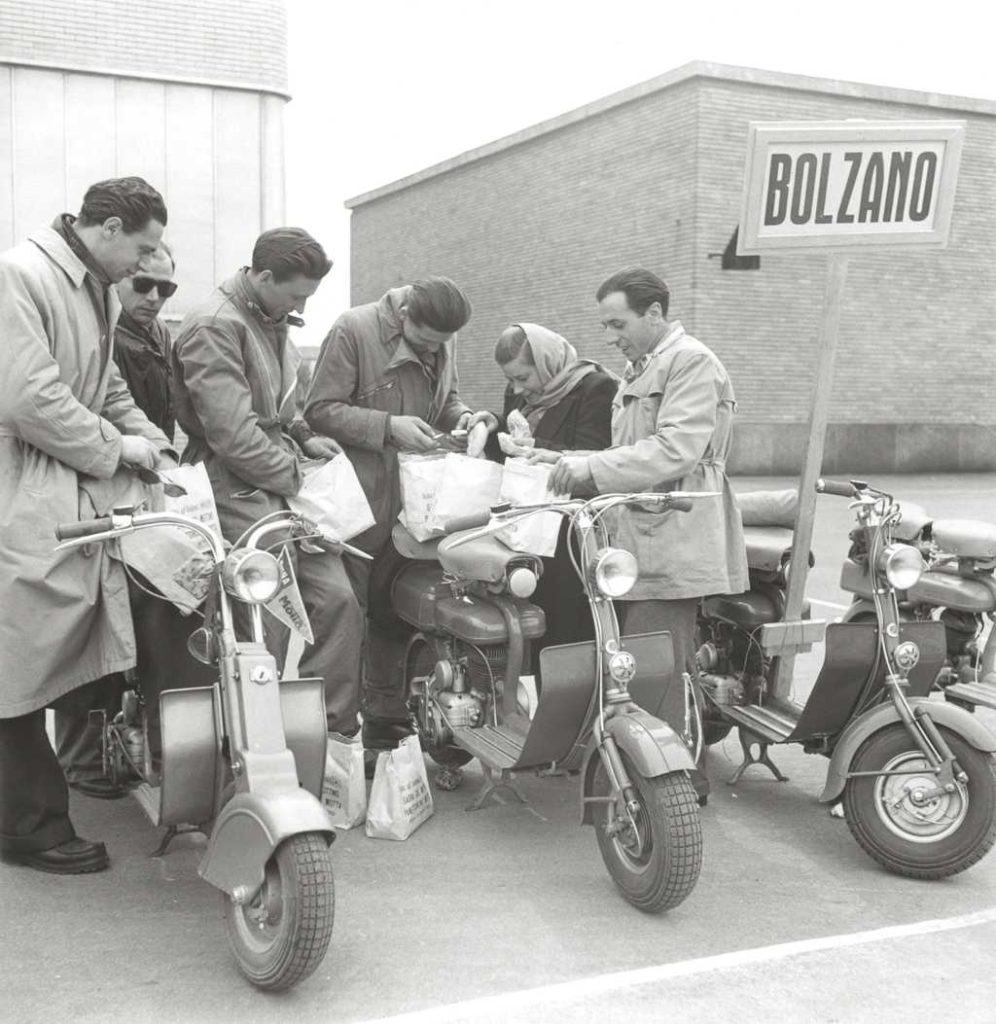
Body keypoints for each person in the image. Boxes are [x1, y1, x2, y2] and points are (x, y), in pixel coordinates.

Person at [0, 176, 174, 874]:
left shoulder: (93, 286)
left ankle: (41, 804)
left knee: (53, 641)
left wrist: (150, 436)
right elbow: (28, 396)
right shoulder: (21, 274)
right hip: (23, 483)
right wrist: (117, 447)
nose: (146, 263)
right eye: (143, 246)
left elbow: (106, 388)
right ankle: (28, 825)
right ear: (106, 229)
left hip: (64, 480)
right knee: (19, 652)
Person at [537, 267, 749, 734]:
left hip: (675, 536)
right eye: (605, 327)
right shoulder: (648, 365)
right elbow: (630, 453)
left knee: (655, 666)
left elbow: (676, 450)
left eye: (618, 324)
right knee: (658, 662)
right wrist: (560, 458)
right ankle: (673, 778)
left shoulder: (690, 361)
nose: (611, 338)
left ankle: (670, 785)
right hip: (647, 538)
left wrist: (588, 470)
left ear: (653, 314)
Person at [170, 227, 364, 736]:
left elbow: (279, 403)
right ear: (263, 276)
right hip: (234, 479)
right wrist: (298, 475)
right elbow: (232, 435)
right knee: (266, 613)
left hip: (278, 470)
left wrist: (302, 434)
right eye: (297, 294)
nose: (303, 305)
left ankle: (330, 733)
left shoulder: (269, 311)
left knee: (339, 600)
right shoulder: (214, 325)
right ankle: (254, 740)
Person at [304, 277, 497, 752]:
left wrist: (467, 418)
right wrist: (388, 427)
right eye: (426, 340)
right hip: (358, 505)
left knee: (400, 611)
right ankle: (332, 739)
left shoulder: (441, 338)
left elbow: (447, 401)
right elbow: (318, 410)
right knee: (346, 618)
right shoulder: (353, 330)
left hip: (416, 506)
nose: (434, 349)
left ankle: (387, 723)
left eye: (441, 344)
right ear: (406, 312)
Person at [52, 242, 183, 799]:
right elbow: (81, 411)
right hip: (93, 489)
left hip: (139, 484)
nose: (154, 297)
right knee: (99, 621)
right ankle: (84, 758)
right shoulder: (103, 334)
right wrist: (131, 449)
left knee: (142, 618)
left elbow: (135, 407)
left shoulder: (152, 336)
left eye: (166, 288)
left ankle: (134, 743)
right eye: (143, 284)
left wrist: (163, 455)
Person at [491, 322, 617, 663]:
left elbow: (595, 458)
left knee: (563, 623)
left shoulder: (597, 388)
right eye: (511, 379)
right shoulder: (520, 392)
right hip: (526, 523)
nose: (518, 388)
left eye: (524, 378)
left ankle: (569, 701)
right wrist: (486, 423)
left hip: (569, 533)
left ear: (547, 363)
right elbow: (508, 433)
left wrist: (532, 446)